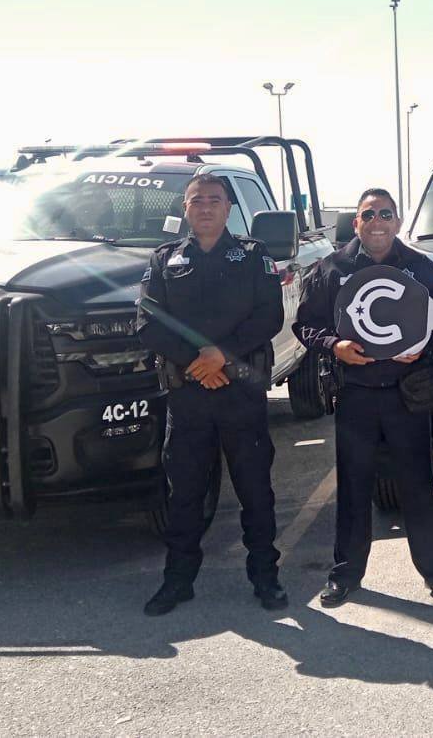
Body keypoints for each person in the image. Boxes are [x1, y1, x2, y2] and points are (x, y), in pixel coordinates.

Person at [293, 188, 433, 607]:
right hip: (355, 395)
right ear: (356, 223)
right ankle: (345, 575)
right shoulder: (332, 267)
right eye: (368, 215)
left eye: (385, 214)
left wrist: (424, 346)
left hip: (407, 395)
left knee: (419, 487)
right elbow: (306, 324)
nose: (377, 222)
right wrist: (334, 346)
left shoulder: (420, 267)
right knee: (353, 488)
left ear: (398, 221)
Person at [135, 174, 287, 616]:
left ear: (228, 208)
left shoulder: (254, 255)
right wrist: (198, 362)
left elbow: (269, 316)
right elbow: (147, 322)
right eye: (197, 200)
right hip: (189, 396)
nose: (205, 207)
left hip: (241, 394)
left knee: (255, 491)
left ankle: (266, 578)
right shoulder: (165, 259)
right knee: (184, 495)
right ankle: (177, 581)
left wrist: (222, 356)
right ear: (185, 208)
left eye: (214, 200)